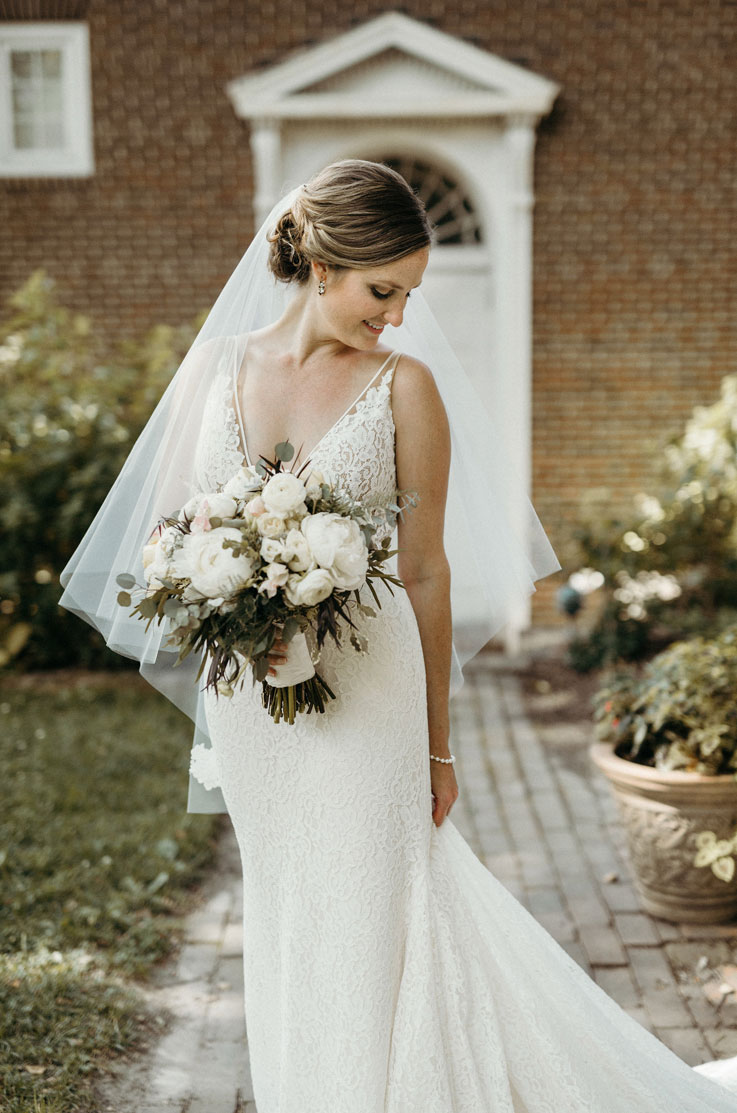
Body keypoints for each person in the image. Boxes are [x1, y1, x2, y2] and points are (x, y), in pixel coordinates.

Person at [60, 160, 737, 1111]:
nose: (398, 315)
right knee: (293, 912)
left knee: (380, 906)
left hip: (370, 686)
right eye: (384, 291)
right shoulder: (215, 369)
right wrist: (234, 602)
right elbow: (170, 538)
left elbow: (424, 571)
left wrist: (436, 744)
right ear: (324, 263)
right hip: (252, 704)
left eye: (410, 295)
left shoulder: (404, 386)